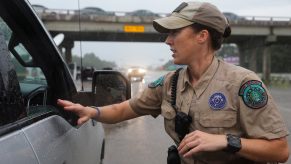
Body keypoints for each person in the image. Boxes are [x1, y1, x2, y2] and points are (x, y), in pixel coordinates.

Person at [57, 1, 289, 163]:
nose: (167, 40)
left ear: (202, 36)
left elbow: (279, 150)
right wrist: (92, 111)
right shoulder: (170, 83)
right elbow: (125, 109)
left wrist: (225, 141)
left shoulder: (243, 84)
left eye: (175, 32)